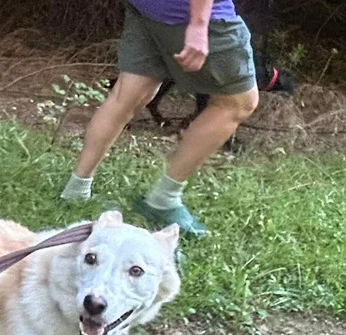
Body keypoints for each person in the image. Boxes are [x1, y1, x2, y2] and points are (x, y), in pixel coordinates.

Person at [59, 0, 260, 236]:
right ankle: (164, 199)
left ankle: (76, 189)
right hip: (188, 13)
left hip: (147, 7)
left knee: (130, 93)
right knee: (239, 102)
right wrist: (198, 25)